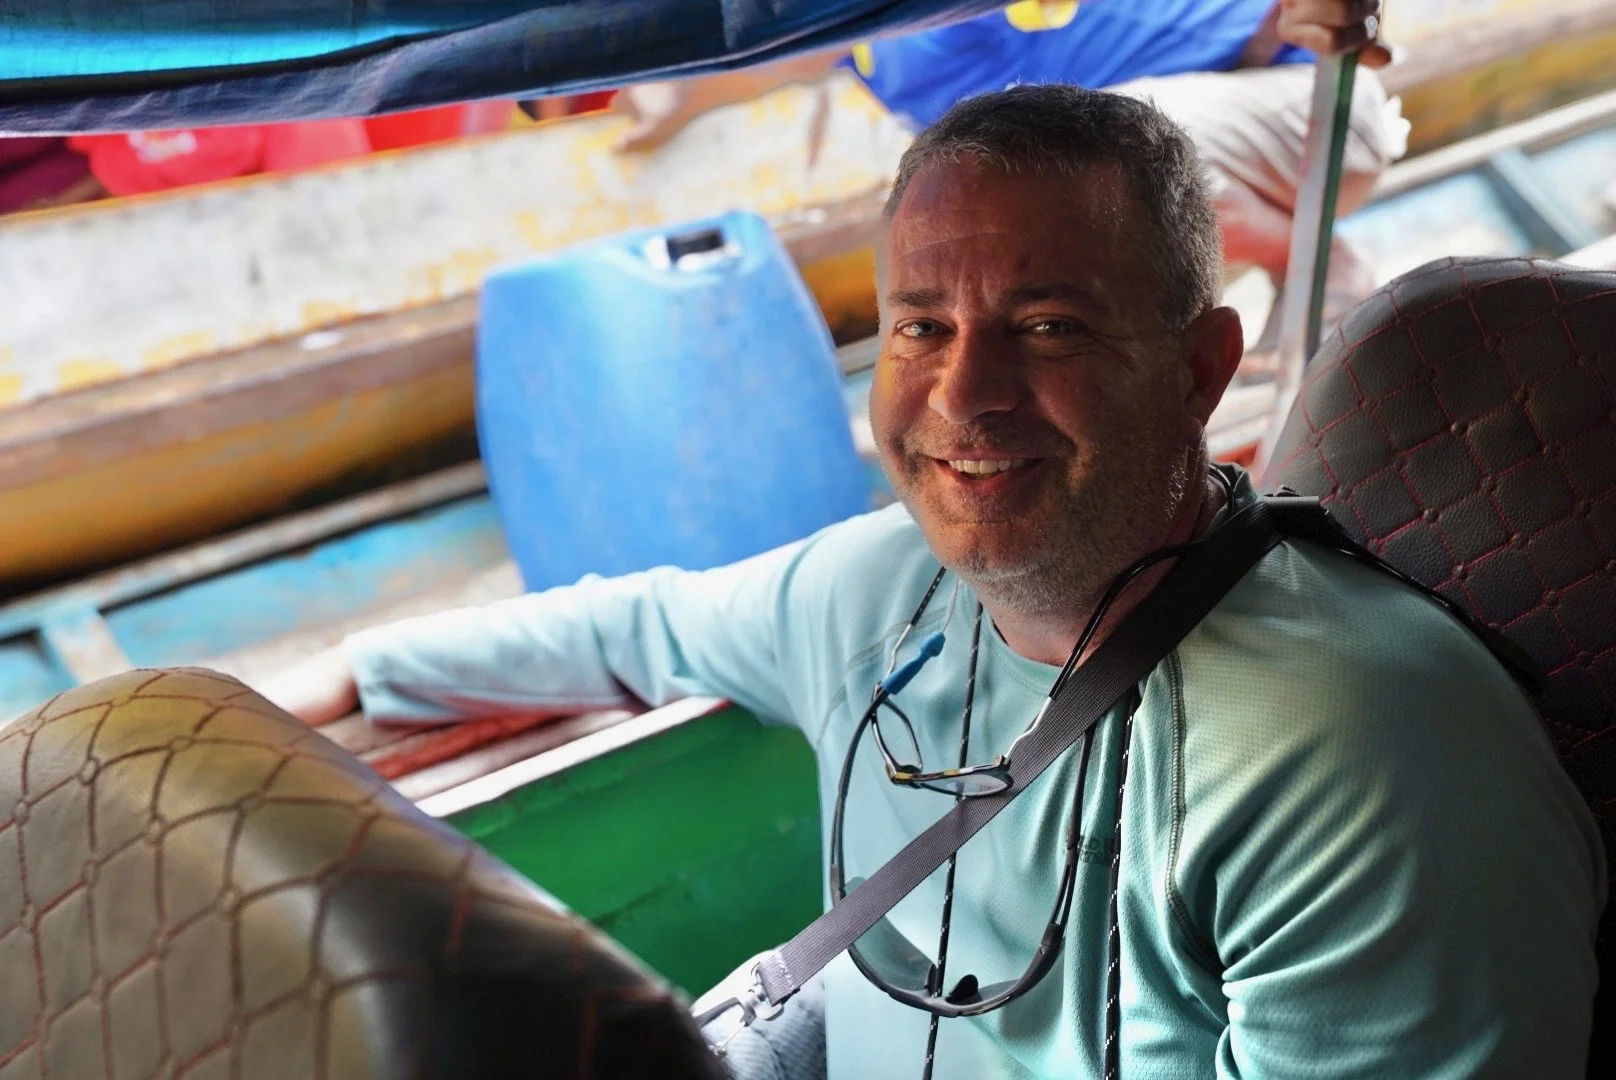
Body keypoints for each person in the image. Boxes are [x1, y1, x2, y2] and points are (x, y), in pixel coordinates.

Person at [262, 77, 1606, 1080]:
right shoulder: (874, 594)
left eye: (1048, 326)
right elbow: (640, 627)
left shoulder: (1359, 758)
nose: (966, 394)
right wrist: (342, 675)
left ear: (1200, 372)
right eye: (922, 326)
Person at [612, 0, 1408, 336]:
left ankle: (1319, 260)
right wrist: (670, 95)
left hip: (1309, 109)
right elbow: (757, 62)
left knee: (1103, 155)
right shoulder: (856, 46)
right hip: (1180, 164)